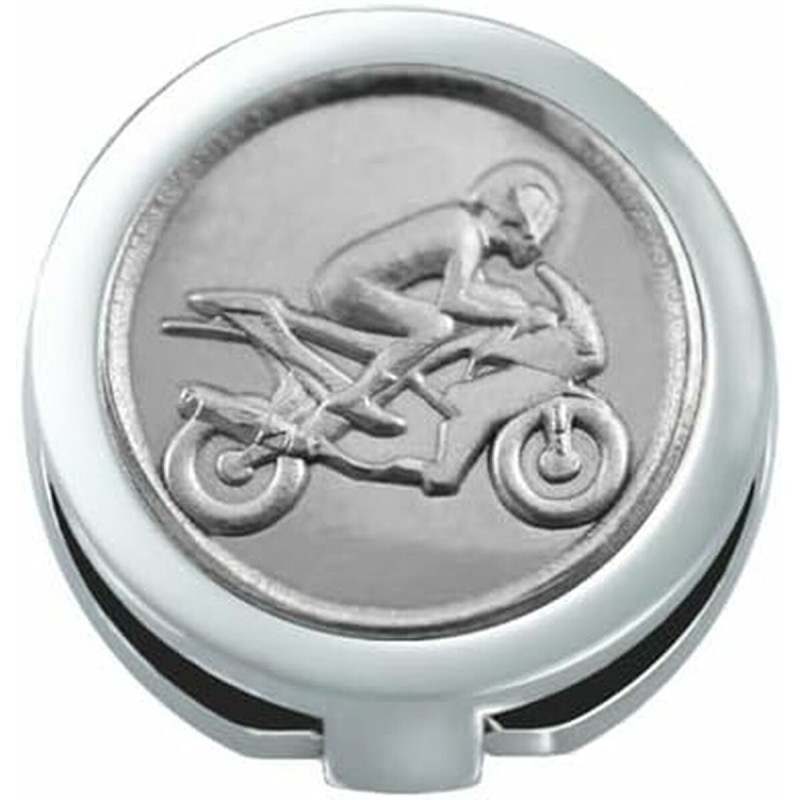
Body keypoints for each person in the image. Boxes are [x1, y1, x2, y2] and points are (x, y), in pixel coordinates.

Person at [310, 160, 563, 436]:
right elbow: (454, 303)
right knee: (436, 325)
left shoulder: (463, 226)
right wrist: (521, 315)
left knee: (493, 305)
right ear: (511, 222)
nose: (530, 250)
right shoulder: (467, 236)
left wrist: (516, 308)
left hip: (345, 283)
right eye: (529, 239)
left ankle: (404, 371)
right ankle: (357, 397)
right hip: (345, 289)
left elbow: (479, 292)